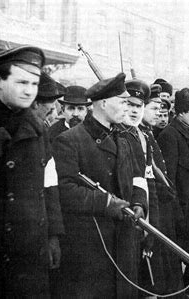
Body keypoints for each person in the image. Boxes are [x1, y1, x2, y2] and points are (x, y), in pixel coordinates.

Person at [52, 73, 147, 298]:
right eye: (123, 101)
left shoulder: (123, 139)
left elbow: (137, 178)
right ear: (104, 104)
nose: (128, 107)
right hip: (90, 244)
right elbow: (64, 189)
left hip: (123, 240)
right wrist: (105, 202)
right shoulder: (69, 140)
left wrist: (139, 203)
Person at [0, 45, 64, 297]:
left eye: (34, 84)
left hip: (29, 248)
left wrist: (53, 236)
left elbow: (50, 184)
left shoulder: (38, 128)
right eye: (22, 81)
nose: (29, 91)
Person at [157, 88, 189, 295]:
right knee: (176, 254)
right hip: (181, 209)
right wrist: (176, 210)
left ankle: (186, 286)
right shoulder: (170, 135)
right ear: (181, 113)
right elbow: (168, 180)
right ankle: (174, 291)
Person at [139, 82, 185, 297]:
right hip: (151, 201)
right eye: (153, 108)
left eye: (160, 108)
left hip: (162, 200)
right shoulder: (139, 134)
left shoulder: (148, 133)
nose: (158, 112)